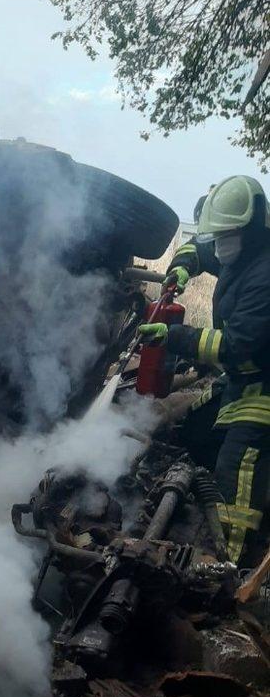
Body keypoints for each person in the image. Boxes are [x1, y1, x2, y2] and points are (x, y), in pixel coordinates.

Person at [139, 175, 270, 564]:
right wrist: (181, 267)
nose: (218, 244)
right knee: (194, 432)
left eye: (224, 236)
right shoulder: (239, 250)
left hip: (263, 388)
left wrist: (174, 337)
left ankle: (226, 562)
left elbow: (234, 346)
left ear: (249, 230)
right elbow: (199, 248)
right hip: (244, 379)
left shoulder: (265, 275)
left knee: (237, 469)